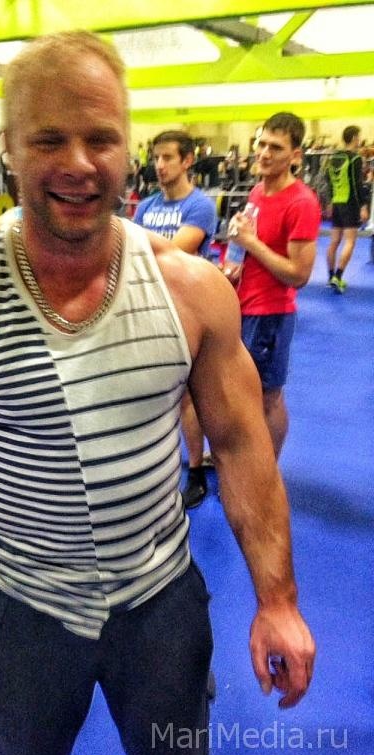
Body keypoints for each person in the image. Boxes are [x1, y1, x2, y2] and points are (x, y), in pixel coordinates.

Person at [0, 32, 315, 755]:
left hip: (161, 598)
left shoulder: (192, 290)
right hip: (23, 609)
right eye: (50, 139)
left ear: (127, 148)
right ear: (11, 149)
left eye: (101, 139)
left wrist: (278, 600)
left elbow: (242, 445)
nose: (79, 164)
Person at [223, 112, 321, 458]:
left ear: (295, 155)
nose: (264, 153)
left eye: (275, 147)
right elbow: (249, 246)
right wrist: (235, 263)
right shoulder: (257, 191)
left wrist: (251, 243)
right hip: (243, 304)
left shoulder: (301, 202)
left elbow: (299, 274)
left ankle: (267, 468)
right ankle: (249, 457)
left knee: (268, 397)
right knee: (243, 391)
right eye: (261, 144)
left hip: (271, 314)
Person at [134, 130, 217, 509]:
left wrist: (135, 248)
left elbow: (174, 253)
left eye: (168, 157)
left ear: (187, 161)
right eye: (156, 158)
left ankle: (197, 470)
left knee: (193, 396)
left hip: (190, 310)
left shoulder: (200, 206)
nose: (160, 165)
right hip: (149, 307)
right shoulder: (145, 207)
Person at [324, 125, 370, 293]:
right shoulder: (355, 159)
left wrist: (330, 201)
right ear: (353, 138)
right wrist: (363, 205)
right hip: (350, 204)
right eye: (358, 137)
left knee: (334, 241)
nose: (360, 140)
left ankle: (330, 277)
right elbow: (357, 185)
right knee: (350, 241)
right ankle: (338, 276)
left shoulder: (333, 157)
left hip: (336, 203)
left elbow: (328, 181)